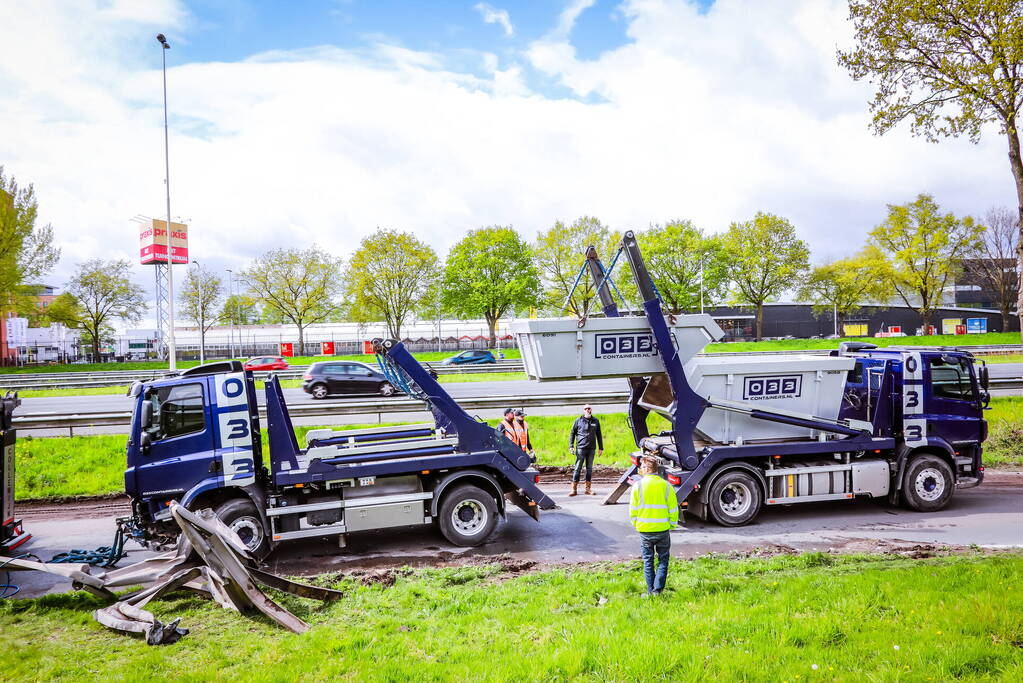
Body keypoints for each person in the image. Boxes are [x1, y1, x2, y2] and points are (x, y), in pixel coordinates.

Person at [629, 454, 679, 596]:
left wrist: (636, 524)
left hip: (645, 530)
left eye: (641, 467)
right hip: (663, 530)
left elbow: (633, 510)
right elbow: (673, 508)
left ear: (646, 468)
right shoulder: (666, 486)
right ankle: (657, 590)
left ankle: (650, 591)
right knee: (663, 560)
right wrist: (672, 525)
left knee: (648, 561)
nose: (640, 469)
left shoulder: (638, 486)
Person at [568, 405, 603, 496]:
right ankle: (574, 489)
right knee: (577, 468)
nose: (587, 410)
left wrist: (601, 448)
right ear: (583, 410)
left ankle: (588, 489)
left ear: (591, 410)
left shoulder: (596, 421)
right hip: (581, 448)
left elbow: (599, 435)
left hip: (591, 448)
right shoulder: (578, 420)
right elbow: (572, 433)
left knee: (589, 469)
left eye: (589, 408)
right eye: (586, 409)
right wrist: (571, 446)